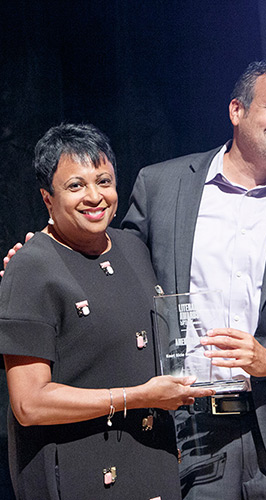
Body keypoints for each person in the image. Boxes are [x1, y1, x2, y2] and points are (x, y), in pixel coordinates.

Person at [122, 59, 266, 499]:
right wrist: (48, 254)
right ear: (236, 111)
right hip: (188, 434)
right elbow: (114, 274)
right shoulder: (161, 185)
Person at [0, 123, 214, 500]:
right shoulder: (30, 267)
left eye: (104, 181)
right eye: (75, 186)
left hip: (153, 461)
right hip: (77, 471)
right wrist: (137, 396)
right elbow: (29, 404)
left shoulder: (133, 245)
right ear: (48, 199)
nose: (94, 197)